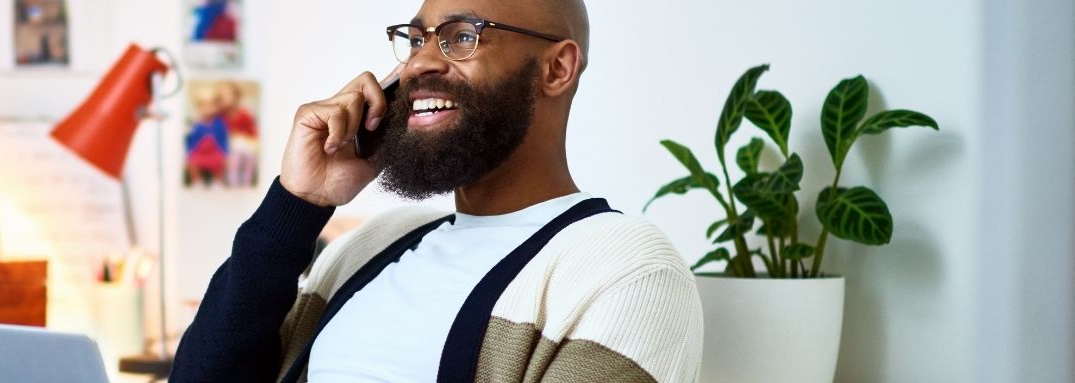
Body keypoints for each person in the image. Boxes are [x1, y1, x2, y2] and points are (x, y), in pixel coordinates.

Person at [171, 0, 703, 382]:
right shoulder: (374, 245)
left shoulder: (627, 273)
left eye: (463, 36)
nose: (420, 62)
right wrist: (298, 203)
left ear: (557, 68)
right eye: (418, 38)